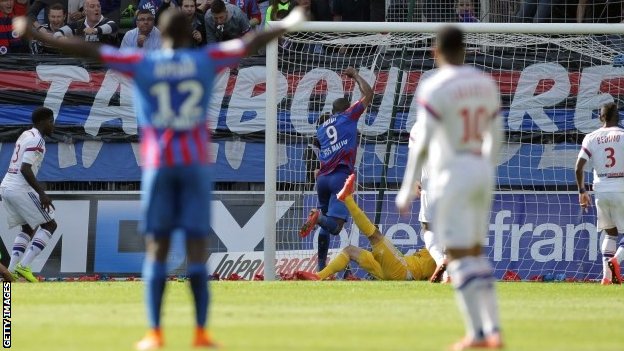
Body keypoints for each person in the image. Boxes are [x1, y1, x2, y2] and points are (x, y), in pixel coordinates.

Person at [14, 6, 305, 349]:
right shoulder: (204, 60)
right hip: (195, 168)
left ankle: (155, 333)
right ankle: (200, 333)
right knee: (197, 250)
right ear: (187, 34)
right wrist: (290, 23)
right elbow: (250, 42)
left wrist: (38, 34)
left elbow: (88, 49)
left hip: (161, 168)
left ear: (160, 35)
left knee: (157, 250)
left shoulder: (144, 63)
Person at [395, 26, 503, 350]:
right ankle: (490, 331)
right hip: (480, 169)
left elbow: (422, 143)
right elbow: (496, 135)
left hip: (451, 172)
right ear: (465, 51)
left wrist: (405, 189)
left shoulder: (435, 85)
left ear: (435, 52)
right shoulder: (484, 83)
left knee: (456, 254)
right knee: (474, 252)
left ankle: (479, 335)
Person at [298, 67, 373, 271]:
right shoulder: (348, 117)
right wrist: (356, 75)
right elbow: (369, 94)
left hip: (322, 179)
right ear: (348, 109)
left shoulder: (322, 128)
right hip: (340, 178)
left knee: (325, 222)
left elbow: (317, 150)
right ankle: (318, 218)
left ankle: (321, 268)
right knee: (335, 227)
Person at [297, 174, 437, 281]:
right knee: (350, 250)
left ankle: (347, 199)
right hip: (395, 269)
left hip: (404, 271)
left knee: (375, 236)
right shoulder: (436, 245)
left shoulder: (445, 253)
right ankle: (318, 277)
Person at [1, 107, 57, 283]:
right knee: (50, 224)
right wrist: (42, 194)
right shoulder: (38, 141)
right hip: (19, 188)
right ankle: (24, 267)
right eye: (51, 121)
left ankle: (10, 273)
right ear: (42, 121)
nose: (52, 125)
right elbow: (25, 169)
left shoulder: (26, 134)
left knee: (28, 228)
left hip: (6, 187)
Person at [575, 102, 624, 285]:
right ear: (618, 117)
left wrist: (582, 191)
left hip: (600, 190)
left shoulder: (591, 137)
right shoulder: (622, 136)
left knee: (610, 233)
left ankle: (606, 278)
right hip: (621, 187)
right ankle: (616, 261)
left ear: (600, 117)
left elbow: (579, 167)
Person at [54, 0, 118, 46]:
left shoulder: (107, 22)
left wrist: (95, 30)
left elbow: (113, 26)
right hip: (83, 61)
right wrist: (60, 38)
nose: (96, 9)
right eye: (92, 6)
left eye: (98, 6)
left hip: (103, 63)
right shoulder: (78, 25)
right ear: (85, 11)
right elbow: (58, 32)